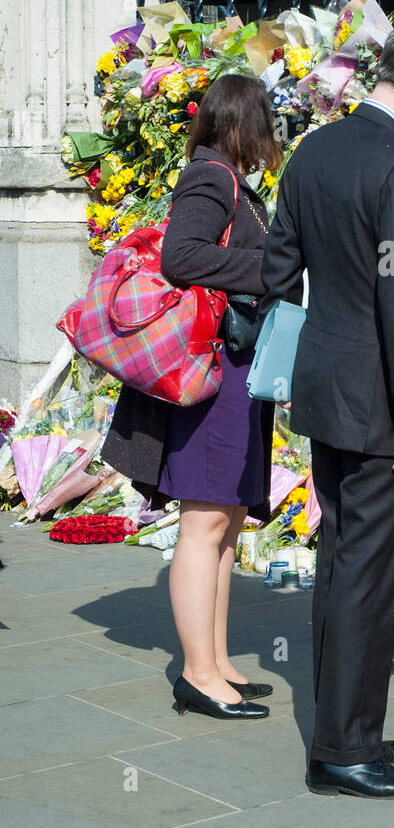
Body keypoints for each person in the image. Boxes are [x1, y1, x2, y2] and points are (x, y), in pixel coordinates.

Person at [260, 20, 394, 799]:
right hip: (380, 402)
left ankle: (350, 727)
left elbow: (280, 269)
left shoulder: (313, 150)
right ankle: (345, 747)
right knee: (368, 575)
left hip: (325, 389)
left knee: (344, 558)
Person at [102, 74, 281, 722]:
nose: (273, 135)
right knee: (205, 523)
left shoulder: (225, 176)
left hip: (232, 370)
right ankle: (199, 675)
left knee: (225, 520)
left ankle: (218, 661)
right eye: (266, 120)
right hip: (212, 376)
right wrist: (273, 272)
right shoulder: (211, 177)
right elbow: (182, 257)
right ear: (242, 122)